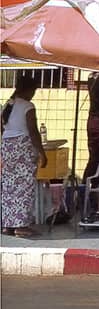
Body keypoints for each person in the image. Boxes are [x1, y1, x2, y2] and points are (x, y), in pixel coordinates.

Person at [2, 74, 48, 237]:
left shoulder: (8, 104)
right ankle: (21, 225)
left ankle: (8, 224)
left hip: (7, 147)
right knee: (24, 187)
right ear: (29, 89)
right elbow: (33, 131)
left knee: (8, 186)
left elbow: (2, 129)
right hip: (23, 147)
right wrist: (42, 153)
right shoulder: (28, 106)